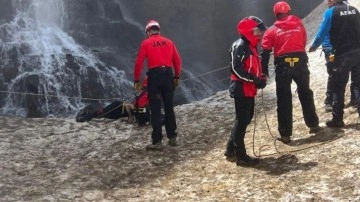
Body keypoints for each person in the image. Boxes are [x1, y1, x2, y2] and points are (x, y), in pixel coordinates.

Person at [261, 1, 321, 144]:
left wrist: (264, 71)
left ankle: (285, 134)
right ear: (289, 11)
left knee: (284, 98)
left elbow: (265, 52)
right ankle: (313, 125)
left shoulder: (271, 30)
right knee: (305, 92)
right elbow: (303, 40)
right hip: (300, 62)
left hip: (283, 65)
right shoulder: (299, 24)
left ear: (276, 14)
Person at [308, 0, 360, 127]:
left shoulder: (331, 12)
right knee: (358, 84)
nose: (327, 3)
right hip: (358, 52)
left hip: (341, 54)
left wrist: (314, 46)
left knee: (338, 86)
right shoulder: (354, 9)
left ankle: (337, 119)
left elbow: (322, 32)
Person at [224, 16, 267, 166]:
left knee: (244, 119)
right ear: (248, 31)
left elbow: (253, 66)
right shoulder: (240, 46)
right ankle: (240, 156)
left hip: (248, 88)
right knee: (242, 121)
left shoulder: (250, 46)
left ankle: (230, 149)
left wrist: (260, 77)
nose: (259, 33)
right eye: (256, 31)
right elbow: (236, 69)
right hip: (241, 89)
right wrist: (255, 80)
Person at [134, 19, 182, 150]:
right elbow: (177, 61)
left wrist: (137, 80)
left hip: (154, 77)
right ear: (158, 30)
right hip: (168, 75)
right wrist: (176, 76)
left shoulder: (146, 43)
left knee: (155, 109)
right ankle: (172, 137)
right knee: (169, 108)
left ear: (148, 31)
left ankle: (157, 142)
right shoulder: (169, 42)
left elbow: (139, 63)